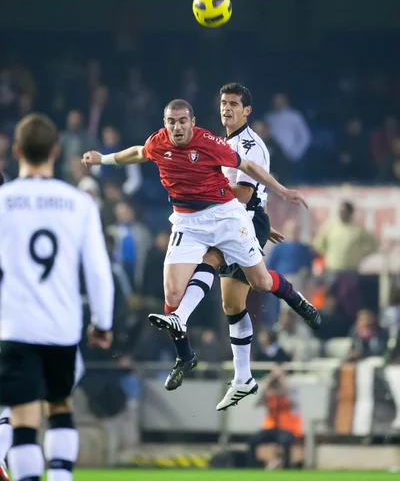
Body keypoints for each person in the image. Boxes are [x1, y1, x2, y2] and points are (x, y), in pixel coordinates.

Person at [82, 98, 320, 408]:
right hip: (187, 222)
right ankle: (185, 357)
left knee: (260, 282)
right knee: (171, 293)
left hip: (224, 218)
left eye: (182, 121)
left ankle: (295, 299)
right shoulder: (159, 142)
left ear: (192, 122)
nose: (177, 127)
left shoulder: (209, 142)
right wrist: (104, 159)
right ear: (165, 123)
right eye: (172, 121)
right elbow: (139, 153)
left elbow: (246, 167)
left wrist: (282, 190)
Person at [0, 114, 114, 481]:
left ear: (16, 151)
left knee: (22, 417)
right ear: (56, 150)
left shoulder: (3, 200)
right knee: (60, 407)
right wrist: (102, 323)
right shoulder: (77, 203)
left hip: (15, 327)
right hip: (62, 328)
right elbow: (98, 271)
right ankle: (62, 474)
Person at [313, 201, 379, 321]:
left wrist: (361, 254)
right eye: (340, 211)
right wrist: (328, 254)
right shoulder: (331, 227)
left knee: (351, 303)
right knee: (330, 302)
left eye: (344, 211)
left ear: (350, 213)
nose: (342, 214)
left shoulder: (357, 229)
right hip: (332, 270)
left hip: (351, 272)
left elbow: (373, 244)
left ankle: (349, 324)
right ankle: (327, 324)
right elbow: (318, 243)